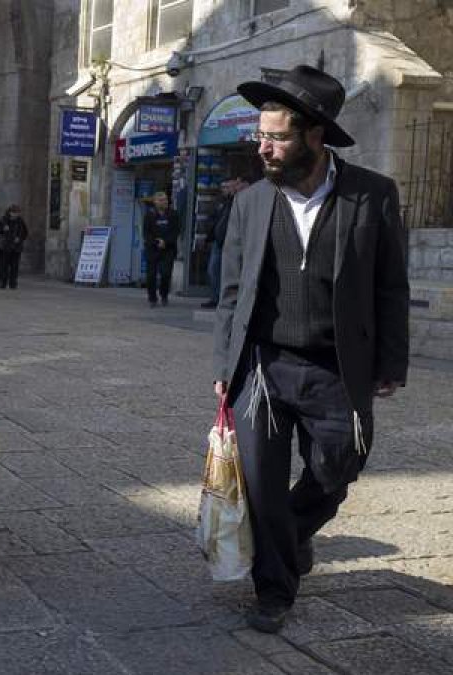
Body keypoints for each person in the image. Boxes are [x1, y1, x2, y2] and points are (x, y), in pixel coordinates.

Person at [214, 65, 409, 634]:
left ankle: (291, 535)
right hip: (263, 368)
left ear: (315, 137)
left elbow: (390, 285)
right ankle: (274, 589)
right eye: (260, 136)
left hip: (337, 366)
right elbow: (231, 293)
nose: (263, 147)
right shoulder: (251, 203)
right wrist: (227, 367)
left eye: (276, 137)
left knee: (339, 466)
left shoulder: (372, 196)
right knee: (260, 485)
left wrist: (390, 361)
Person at [202, 176, 250, 309]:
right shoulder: (223, 201)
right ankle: (216, 297)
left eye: (229, 186)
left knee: (229, 271)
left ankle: (226, 300)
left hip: (233, 242)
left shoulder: (240, 200)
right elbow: (215, 219)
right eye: (224, 187)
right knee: (213, 270)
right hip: (219, 241)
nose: (226, 189)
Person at [142, 191, 180, 307]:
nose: (164, 202)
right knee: (151, 275)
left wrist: (166, 241)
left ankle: (164, 295)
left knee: (166, 273)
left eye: (165, 200)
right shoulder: (149, 215)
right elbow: (146, 232)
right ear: (155, 202)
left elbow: (176, 230)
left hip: (168, 249)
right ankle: (152, 298)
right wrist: (155, 242)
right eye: (161, 200)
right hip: (153, 248)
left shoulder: (173, 214)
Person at [0, 204, 28, 289]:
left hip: (16, 247)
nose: (15, 214)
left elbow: (25, 232)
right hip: (5, 246)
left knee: (14, 266)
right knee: (3, 266)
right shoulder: (4, 220)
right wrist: (2, 229)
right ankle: (3, 283)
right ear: (10, 212)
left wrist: (19, 238)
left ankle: (13, 283)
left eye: (17, 213)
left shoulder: (20, 221)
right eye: (13, 212)